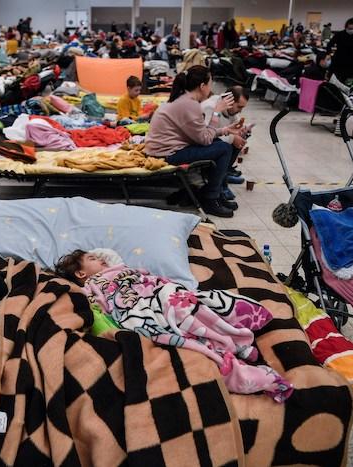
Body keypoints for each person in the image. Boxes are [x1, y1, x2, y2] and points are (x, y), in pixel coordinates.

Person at [54, 250, 294, 402]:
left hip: (158, 294)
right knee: (173, 321)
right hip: (137, 310)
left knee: (183, 301)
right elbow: (98, 307)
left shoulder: (125, 269)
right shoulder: (91, 284)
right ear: (82, 273)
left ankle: (236, 339)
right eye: (93, 259)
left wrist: (163, 287)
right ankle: (232, 355)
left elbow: (151, 279)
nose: (102, 259)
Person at [145, 65, 243, 218]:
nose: (211, 88)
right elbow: (204, 139)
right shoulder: (189, 104)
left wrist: (225, 130)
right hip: (166, 154)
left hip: (166, 149)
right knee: (224, 148)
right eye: (210, 83)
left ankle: (213, 193)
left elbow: (200, 134)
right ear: (202, 86)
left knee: (223, 143)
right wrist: (217, 112)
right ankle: (210, 198)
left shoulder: (185, 99)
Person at [201, 85, 251, 202]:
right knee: (226, 146)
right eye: (239, 107)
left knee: (240, 137)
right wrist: (232, 138)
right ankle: (218, 185)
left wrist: (242, 132)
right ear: (230, 101)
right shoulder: (210, 107)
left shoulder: (231, 111)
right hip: (201, 145)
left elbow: (235, 126)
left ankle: (224, 175)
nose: (240, 110)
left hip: (215, 141)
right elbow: (205, 137)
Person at [327, 18, 353, 83]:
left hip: (351, 58)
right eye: (349, 28)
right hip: (338, 57)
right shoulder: (339, 34)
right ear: (346, 27)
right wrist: (328, 54)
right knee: (333, 78)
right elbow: (330, 44)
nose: (351, 30)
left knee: (350, 79)